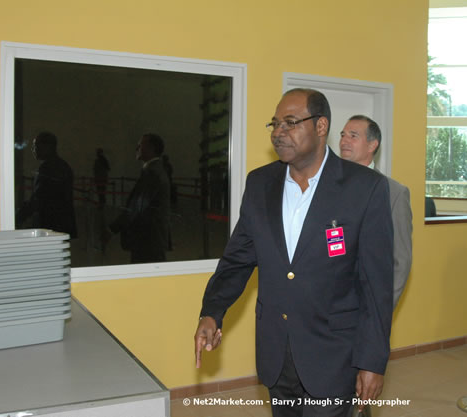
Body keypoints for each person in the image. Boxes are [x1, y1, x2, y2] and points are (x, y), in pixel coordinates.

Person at [194, 89, 394, 417]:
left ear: (320, 126)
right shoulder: (260, 184)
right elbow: (237, 259)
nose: (278, 132)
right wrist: (212, 311)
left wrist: (372, 361)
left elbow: (376, 285)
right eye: (274, 124)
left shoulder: (365, 188)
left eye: (290, 122)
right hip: (276, 353)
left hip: (334, 355)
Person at [339, 115, 412, 308]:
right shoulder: (325, 186)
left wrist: (382, 309)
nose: (344, 141)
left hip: (367, 304)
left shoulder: (394, 192)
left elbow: (401, 261)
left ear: (372, 145)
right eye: (342, 135)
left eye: (353, 136)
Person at [105, 133, 170, 263]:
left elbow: (137, 207)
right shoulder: (155, 170)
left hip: (147, 239)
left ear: (151, 148)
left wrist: (112, 229)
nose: (137, 148)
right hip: (150, 239)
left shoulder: (152, 173)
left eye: (140, 145)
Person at [16, 131, 78, 238]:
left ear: (47, 147)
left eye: (36, 146)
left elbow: (38, 199)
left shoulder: (48, 168)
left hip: (52, 225)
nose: (34, 150)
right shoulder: (62, 165)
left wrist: (18, 217)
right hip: (61, 225)